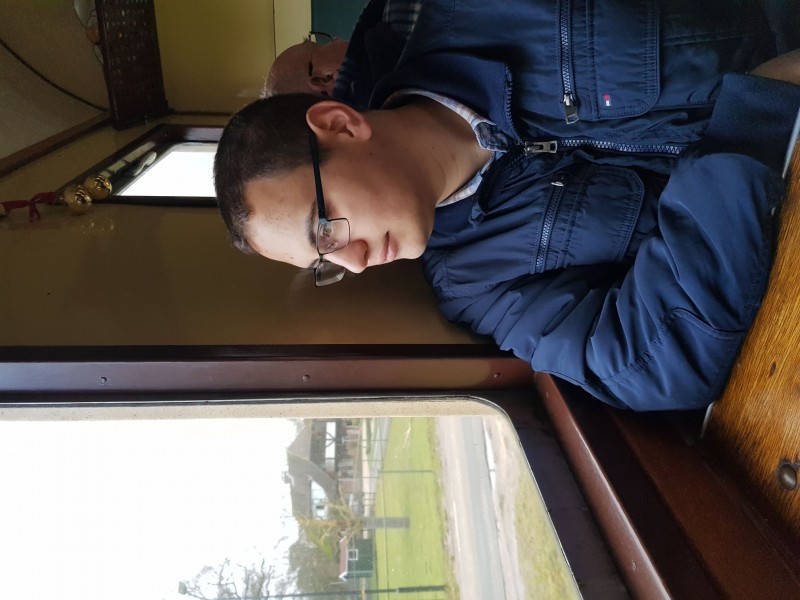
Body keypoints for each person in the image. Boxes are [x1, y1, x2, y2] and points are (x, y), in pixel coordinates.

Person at [217, 0, 800, 411]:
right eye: (326, 263)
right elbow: (649, 366)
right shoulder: (473, 283)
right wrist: (755, 119)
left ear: (340, 124)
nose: (357, 261)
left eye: (325, 229)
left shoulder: (478, 11)